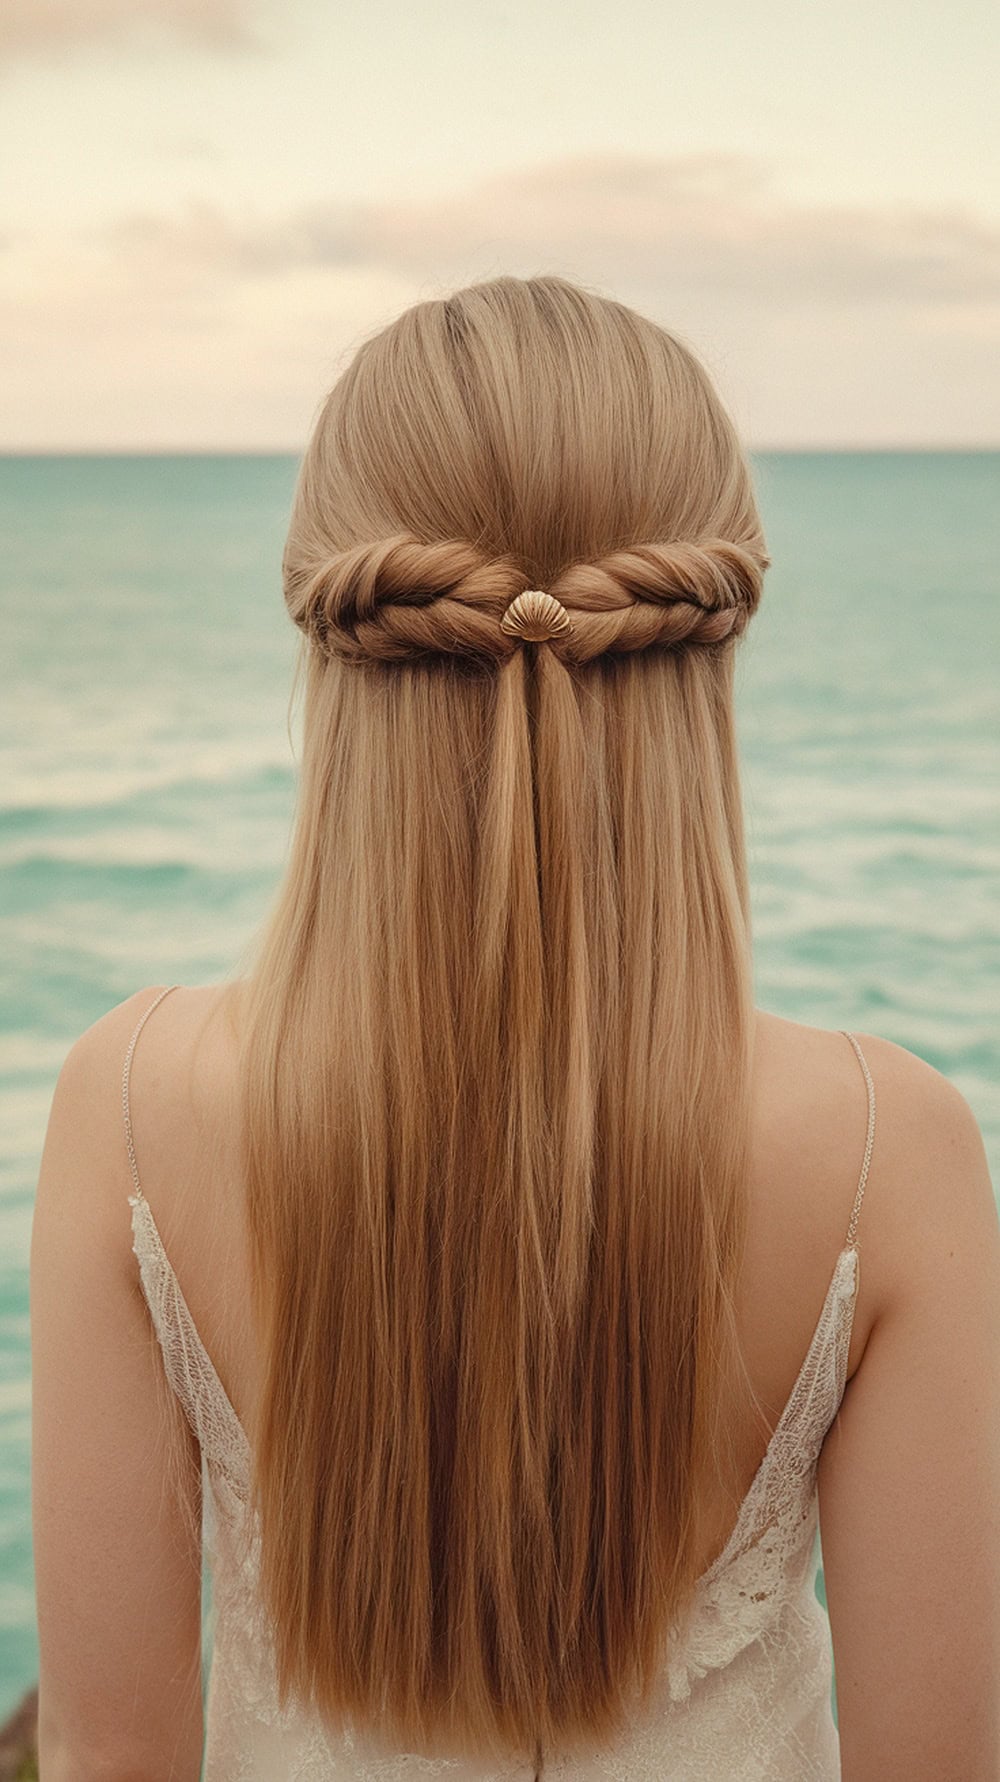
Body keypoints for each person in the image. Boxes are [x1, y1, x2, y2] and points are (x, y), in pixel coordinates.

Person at [30, 275, 1000, 1780]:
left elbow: (109, 1754)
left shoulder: (134, 1102)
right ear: (706, 644)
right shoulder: (891, 1146)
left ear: (332, 634)